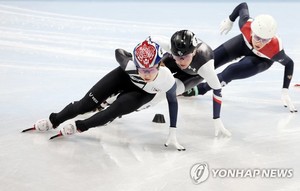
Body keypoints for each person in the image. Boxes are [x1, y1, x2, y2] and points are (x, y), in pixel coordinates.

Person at [22, 37, 185, 151]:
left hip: (141, 93)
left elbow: (173, 103)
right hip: (123, 77)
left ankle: (81, 126)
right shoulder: (129, 65)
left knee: (113, 111)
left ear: (160, 64)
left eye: (150, 70)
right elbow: (118, 52)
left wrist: (172, 132)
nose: (146, 74)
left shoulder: (167, 79)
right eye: (142, 69)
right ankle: (54, 120)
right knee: (84, 104)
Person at [182, 2, 297, 113]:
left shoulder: (275, 50)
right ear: (252, 31)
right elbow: (243, 5)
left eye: (265, 40)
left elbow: (289, 63)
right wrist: (230, 20)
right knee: (209, 60)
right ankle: (182, 77)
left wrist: (285, 90)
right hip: (243, 43)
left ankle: (200, 89)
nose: (260, 43)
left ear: (270, 39)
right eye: (257, 37)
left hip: (262, 59)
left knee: (231, 71)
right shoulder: (245, 24)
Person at [150, 30, 232, 137]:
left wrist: (217, 119)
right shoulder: (171, 49)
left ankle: (143, 105)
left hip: (193, 74)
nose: (180, 61)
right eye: (177, 56)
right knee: (151, 73)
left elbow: (217, 89)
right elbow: (151, 39)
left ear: (193, 52)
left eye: (183, 57)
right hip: (171, 60)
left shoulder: (205, 66)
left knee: (167, 91)